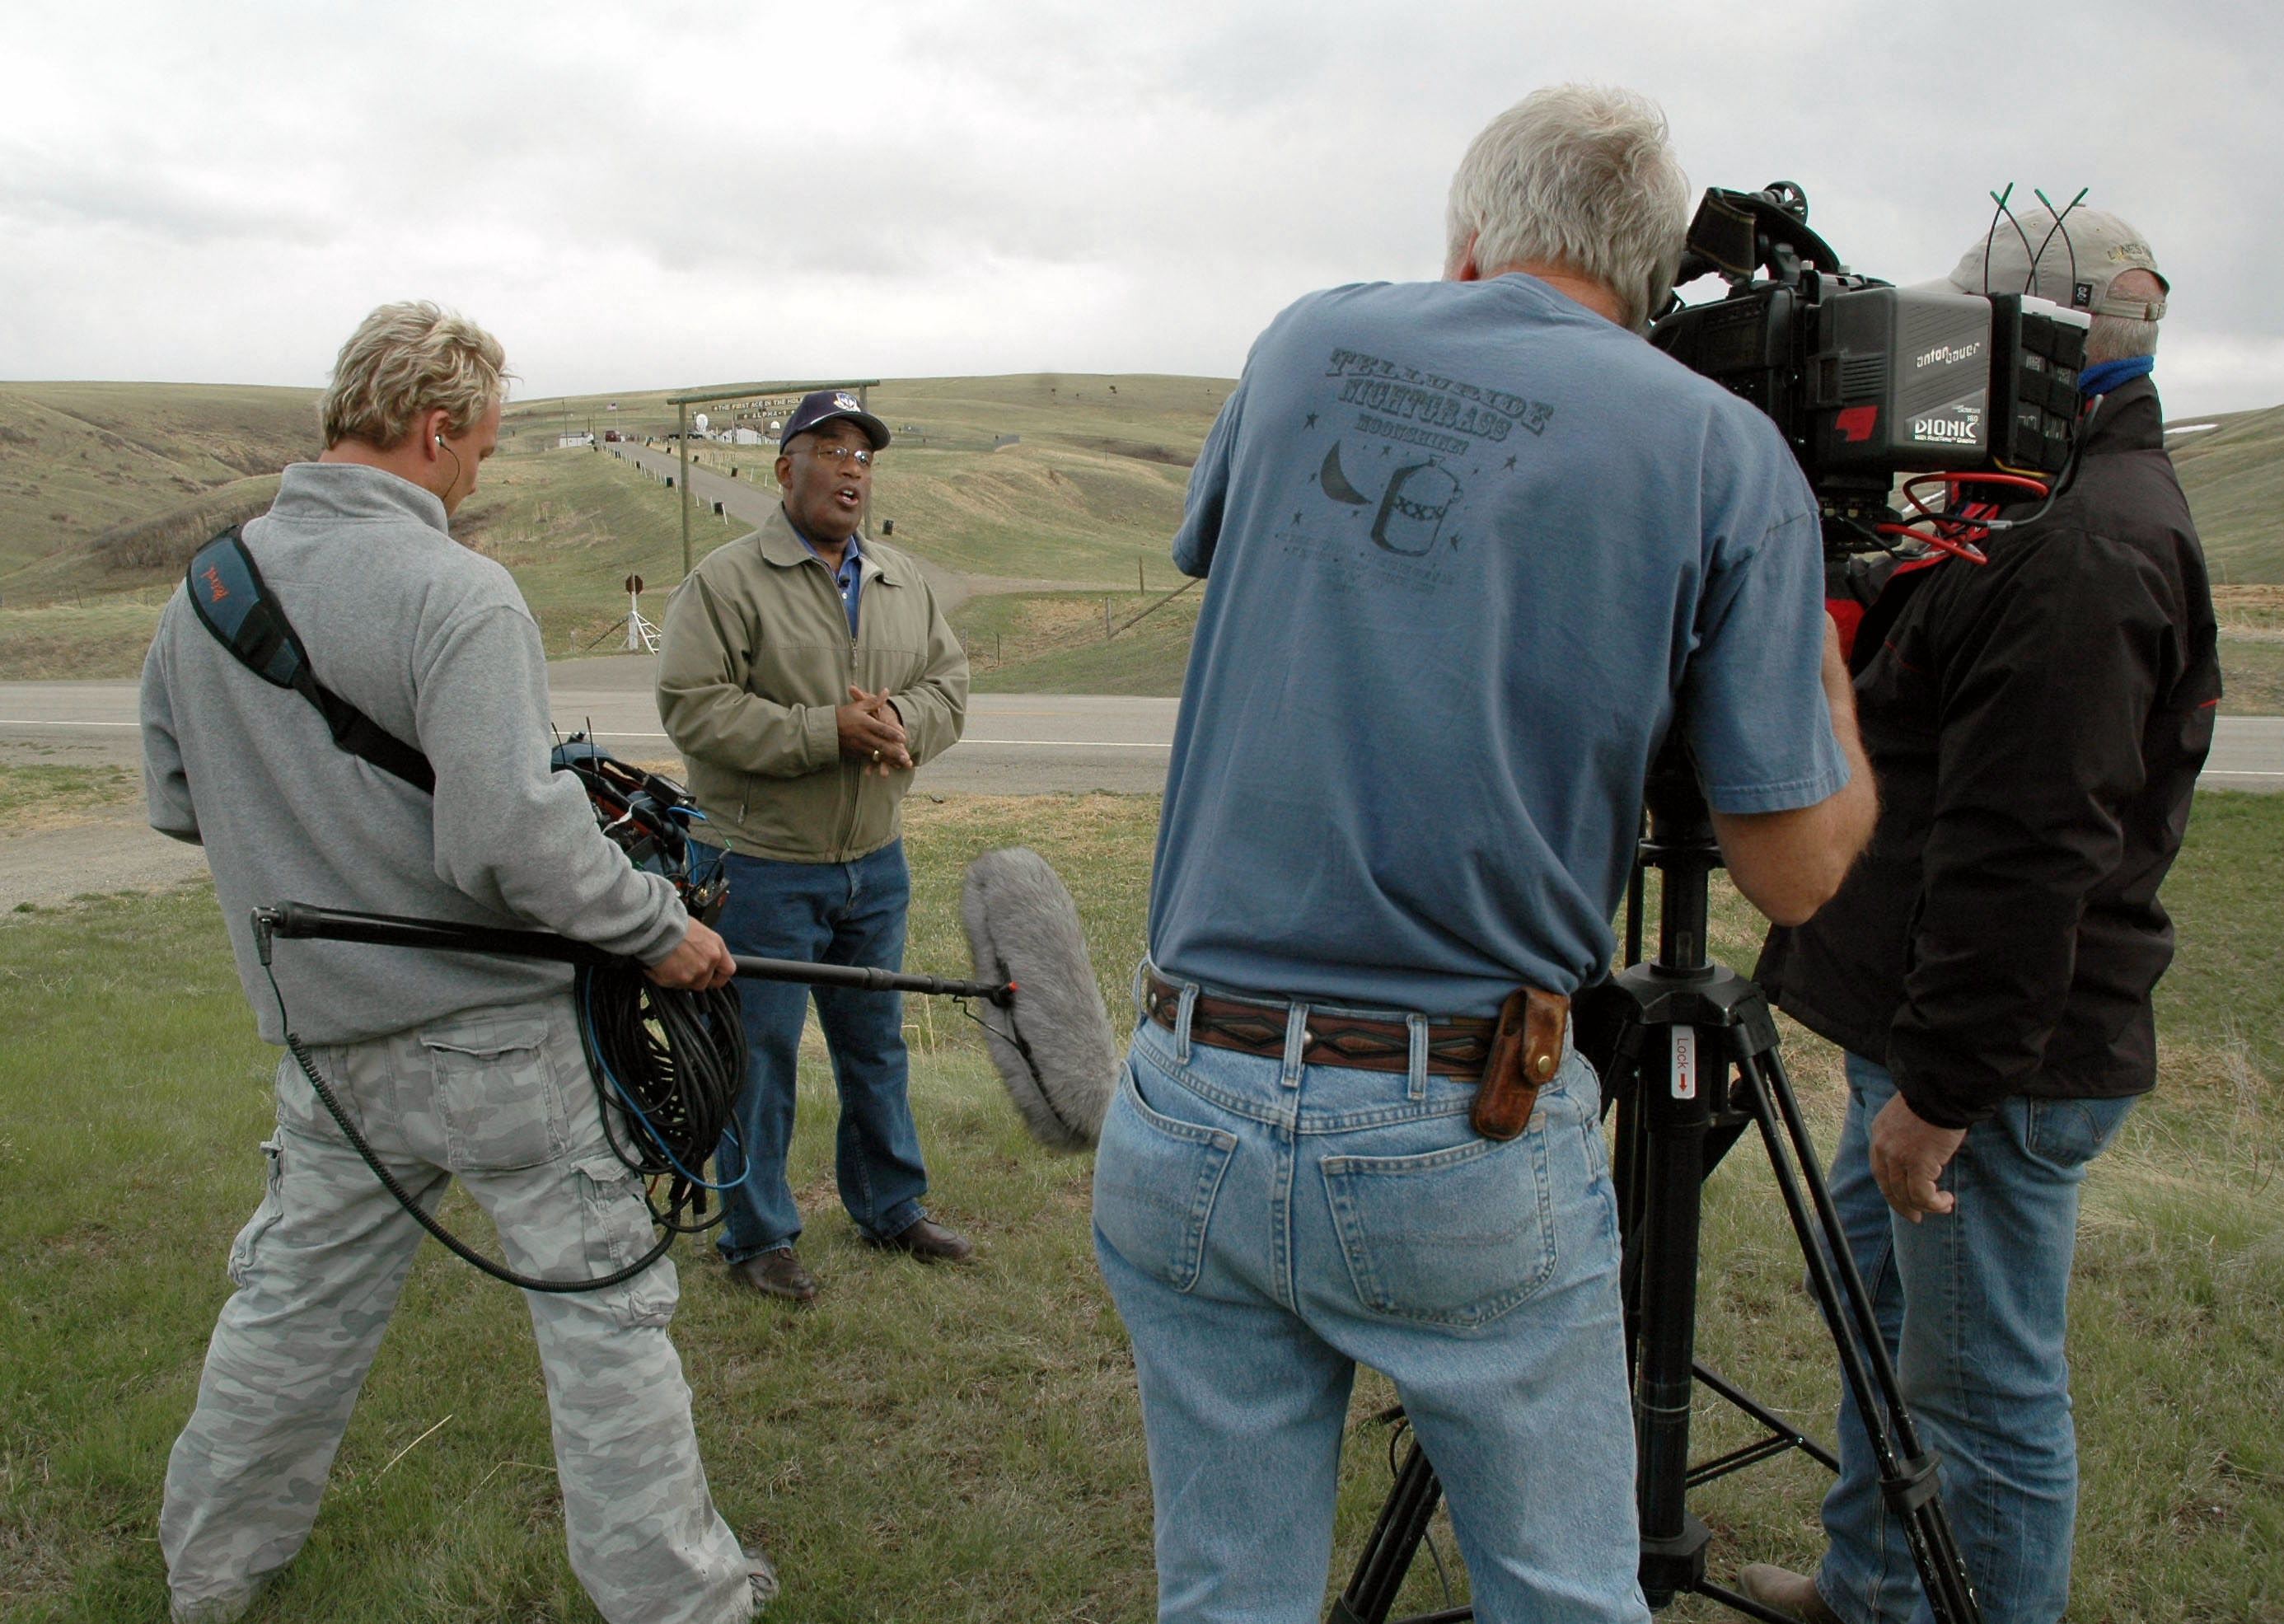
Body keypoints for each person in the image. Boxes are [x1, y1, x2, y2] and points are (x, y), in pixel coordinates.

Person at [1089, 85, 1879, 1624]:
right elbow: (1793, 875)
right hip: (1454, 1117)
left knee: (1227, 1594)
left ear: (1467, 241)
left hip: (1186, 1084)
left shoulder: (1307, 340)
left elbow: (1226, 544)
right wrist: (1825, 693)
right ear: (1648, 278)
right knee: (1564, 1594)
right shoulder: (1719, 451)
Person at [143, 303, 769, 1623]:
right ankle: (680, 1599)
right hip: (503, 1047)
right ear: (436, 430)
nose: (478, 474)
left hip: (327, 1047)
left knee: (291, 1308)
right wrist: (659, 929)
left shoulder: (204, 598)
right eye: (480, 448)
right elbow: (509, 838)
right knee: (604, 1318)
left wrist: (319, 835)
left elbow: (181, 800)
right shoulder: (458, 591)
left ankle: (209, 1570)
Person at [1741, 208, 2220, 1624]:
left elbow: (2031, 851)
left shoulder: (2081, 548)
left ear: (2040, 344)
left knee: (1983, 1395)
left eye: (1967, 332)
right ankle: (1870, 1588)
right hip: (1929, 1029)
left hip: (1989, 1067)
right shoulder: (2030, 503)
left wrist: (1944, 1094)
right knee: (1884, 1324)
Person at [656, 390, 970, 1303]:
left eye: (862, 456)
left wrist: (903, 719)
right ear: (784, 468)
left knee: (875, 1045)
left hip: (874, 860)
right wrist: (824, 731)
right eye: (829, 449)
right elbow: (693, 707)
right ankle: (757, 1235)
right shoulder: (726, 581)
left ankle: (890, 1206)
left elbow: (949, 684)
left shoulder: (901, 580)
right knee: (758, 1056)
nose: (849, 470)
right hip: (758, 862)